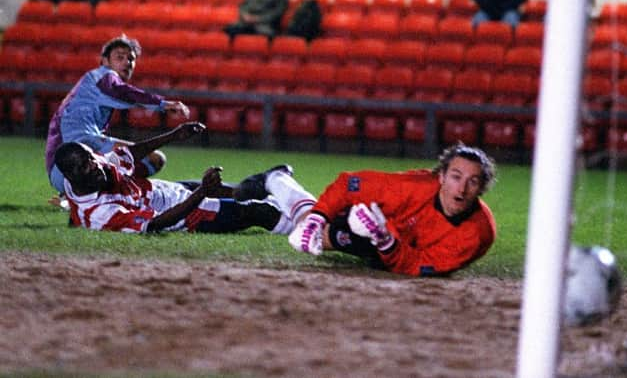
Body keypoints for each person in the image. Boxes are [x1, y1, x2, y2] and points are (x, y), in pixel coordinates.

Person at [242, 143, 497, 277]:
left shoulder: (476, 234)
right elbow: (349, 184)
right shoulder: (412, 187)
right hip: (377, 223)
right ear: (441, 177)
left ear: (482, 187)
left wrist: (387, 243)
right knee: (315, 233)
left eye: (472, 181)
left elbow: (422, 265)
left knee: (319, 233)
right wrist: (317, 219)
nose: (462, 188)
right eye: (455, 176)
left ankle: (276, 209)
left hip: (393, 243)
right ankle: (276, 179)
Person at [54, 122, 303, 235]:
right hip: (183, 214)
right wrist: (201, 194)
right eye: (86, 166)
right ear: (72, 175)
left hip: (162, 190)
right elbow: (156, 224)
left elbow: (130, 153)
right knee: (258, 212)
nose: (97, 166)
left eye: (92, 159)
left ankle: (267, 187)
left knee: (237, 192)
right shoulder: (97, 213)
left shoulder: (93, 169)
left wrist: (174, 134)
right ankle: (309, 232)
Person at [45, 34, 190, 195]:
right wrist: (162, 104)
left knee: (128, 163)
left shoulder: (91, 84)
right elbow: (121, 92)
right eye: (120, 57)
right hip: (72, 159)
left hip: (62, 169)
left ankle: (79, 197)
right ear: (105, 61)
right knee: (153, 158)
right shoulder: (102, 76)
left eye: (131, 59)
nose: (127, 62)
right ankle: (121, 198)